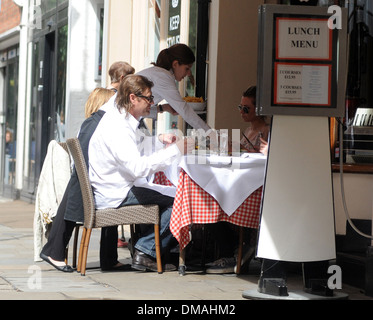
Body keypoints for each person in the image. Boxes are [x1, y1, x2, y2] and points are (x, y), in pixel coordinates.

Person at [88, 74, 192, 272]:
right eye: (149, 98)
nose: (151, 104)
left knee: (170, 194)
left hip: (116, 186)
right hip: (116, 191)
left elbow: (134, 147)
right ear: (133, 98)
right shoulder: (118, 127)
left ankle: (150, 249)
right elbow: (138, 167)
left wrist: (159, 140)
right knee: (181, 199)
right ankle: (146, 251)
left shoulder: (121, 119)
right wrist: (175, 150)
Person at [39, 87, 116, 272]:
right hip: (90, 187)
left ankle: (109, 258)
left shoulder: (89, 124)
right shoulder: (99, 125)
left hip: (84, 184)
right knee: (118, 193)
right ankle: (54, 252)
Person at [205, 85, 270, 274]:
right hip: (238, 183)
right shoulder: (247, 130)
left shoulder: (266, 131)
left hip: (252, 189)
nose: (242, 112)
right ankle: (234, 250)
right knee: (211, 198)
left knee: (213, 203)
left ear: (259, 110)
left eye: (246, 108)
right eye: (240, 107)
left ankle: (233, 251)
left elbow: (264, 160)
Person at [137, 43, 210, 131]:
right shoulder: (163, 77)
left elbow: (139, 110)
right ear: (175, 64)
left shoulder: (160, 74)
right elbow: (184, 110)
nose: (189, 73)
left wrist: (163, 108)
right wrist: (213, 135)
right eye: (187, 68)